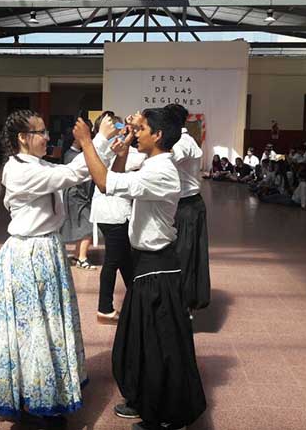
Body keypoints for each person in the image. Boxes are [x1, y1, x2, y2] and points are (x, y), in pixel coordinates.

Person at [0, 109, 116, 423]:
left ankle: (45, 391)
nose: (47, 136)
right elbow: (71, 175)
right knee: (33, 328)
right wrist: (99, 140)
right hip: (29, 254)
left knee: (47, 324)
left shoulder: (35, 163)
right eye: (40, 132)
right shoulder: (18, 170)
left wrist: (102, 145)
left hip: (45, 249)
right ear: (22, 138)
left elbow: (68, 172)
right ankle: (35, 398)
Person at [75, 109, 206, 430]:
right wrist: (118, 154)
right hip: (149, 266)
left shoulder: (161, 171)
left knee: (159, 344)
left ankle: (167, 414)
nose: (137, 132)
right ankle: (143, 399)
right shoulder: (152, 164)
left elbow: (105, 182)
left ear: (158, 136)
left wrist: (87, 142)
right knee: (137, 342)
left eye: (142, 128)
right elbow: (118, 176)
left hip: (158, 269)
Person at [90, 111, 145, 324]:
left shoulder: (109, 147)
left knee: (124, 260)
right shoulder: (111, 149)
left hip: (109, 212)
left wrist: (130, 134)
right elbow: (134, 158)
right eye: (115, 124)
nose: (120, 128)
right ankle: (105, 308)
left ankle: (137, 299)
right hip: (113, 213)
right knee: (114, 261)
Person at [165, 103, 210, 312]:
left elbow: (167, 159)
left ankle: (182, 306)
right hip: (188, 204)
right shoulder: (184, 139)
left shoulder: (181, 142)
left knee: (183, 256)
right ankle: (184, 302)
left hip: (186, 206)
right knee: (187, 254)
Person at [60, 120, 97, 270]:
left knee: (84, 225)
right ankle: (82, 257)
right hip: (76, 195)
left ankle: (77, 255)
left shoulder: (72, 153)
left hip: (79, 195)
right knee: (87, 225)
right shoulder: (71, 155)